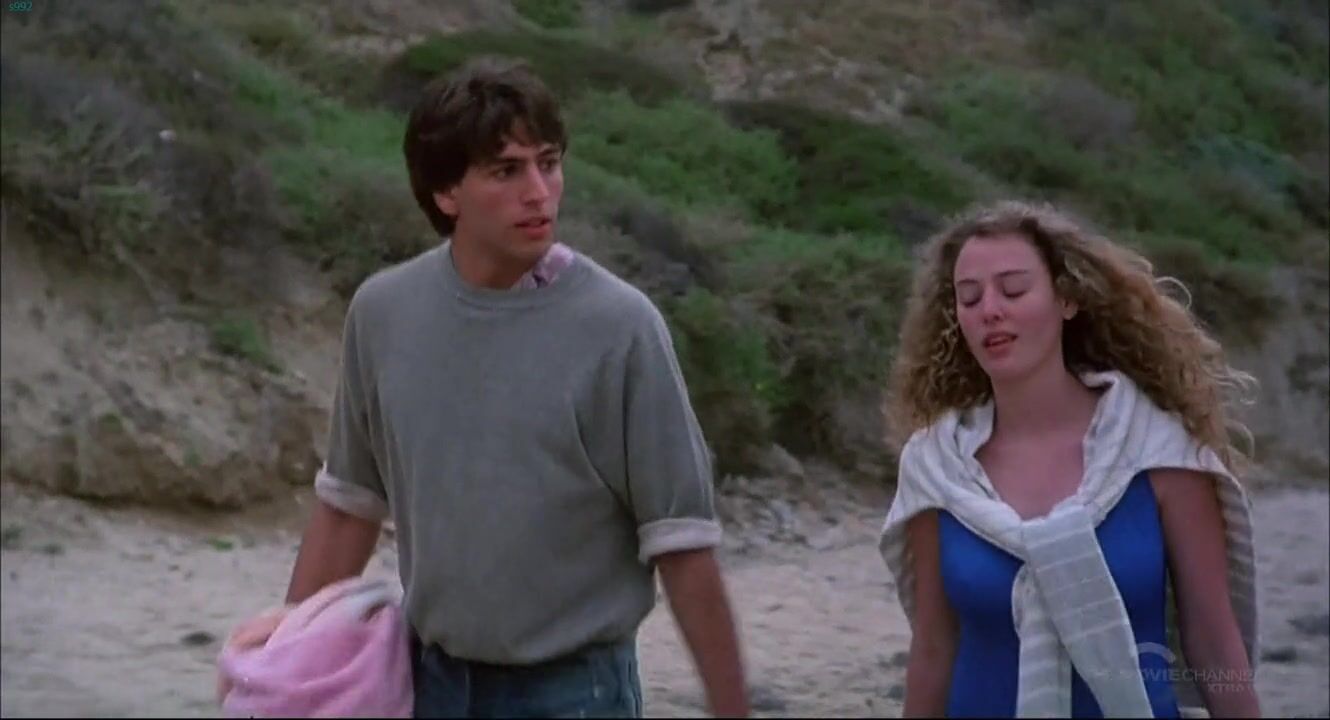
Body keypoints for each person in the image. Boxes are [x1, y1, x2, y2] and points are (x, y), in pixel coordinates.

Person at [281, 58, 750, 719]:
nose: (539, 192)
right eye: (506, 171)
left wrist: (733, 710)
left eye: (548, 164)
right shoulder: (384, 313)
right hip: (430, 683)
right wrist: (283, 669)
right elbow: (347, 507)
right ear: (447, 193)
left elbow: (683, 543)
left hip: (574, 692)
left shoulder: (620, 328)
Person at [877, 200, 1261, 718]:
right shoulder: (937, 467)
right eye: (969, 297)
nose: (990, 309)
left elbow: (1213, 640)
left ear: (1067, 299)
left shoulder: (1157, 450)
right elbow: (933, 649)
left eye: (1014, 290)